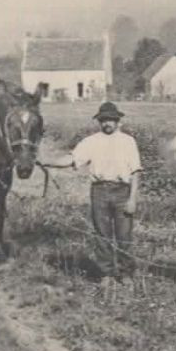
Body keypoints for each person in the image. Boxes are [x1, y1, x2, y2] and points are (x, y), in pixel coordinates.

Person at [70, 101, 143, 279]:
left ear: (118, 121)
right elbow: (72, 160)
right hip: (99, 191)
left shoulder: (128, 141)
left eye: (111, 120)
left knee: (124, 236)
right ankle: (106, 275)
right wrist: (40, 161)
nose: (107, 123)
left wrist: (132, 199)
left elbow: (135, 172)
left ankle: (126, 275)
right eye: (103, 120)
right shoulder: (91, 142)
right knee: (102, 236)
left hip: (122, 192)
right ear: (99, 121)